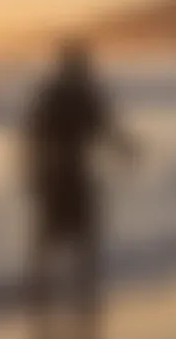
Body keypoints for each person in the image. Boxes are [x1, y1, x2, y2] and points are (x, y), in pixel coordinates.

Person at [23, 38, 136, 319]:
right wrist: (126, 149)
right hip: (73, 173)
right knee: (83, 235)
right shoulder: (83, 95)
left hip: (52, 174)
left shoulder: (50, 95)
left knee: (49, 236)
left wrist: (31, 174)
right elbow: (107, 129)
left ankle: (41, 294)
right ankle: (83, 295)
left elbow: (33, 136)